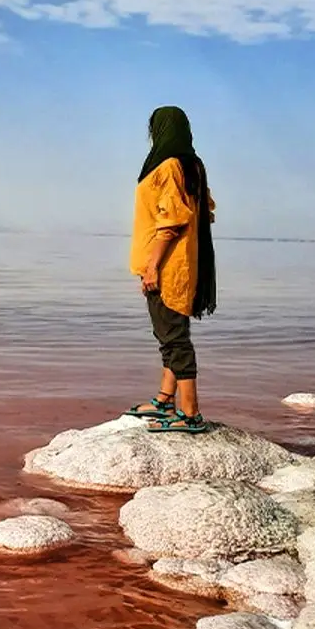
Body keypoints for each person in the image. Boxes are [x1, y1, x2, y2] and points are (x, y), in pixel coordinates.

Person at [125, 106, 217, 434]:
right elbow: (202, 212)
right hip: (181, 265)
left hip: (166, 267)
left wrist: (152, 267)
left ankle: (190, 413)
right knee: (169, 335)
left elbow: (171, 222)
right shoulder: (191, 165)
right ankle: (166, 400)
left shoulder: (169, 165)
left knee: (174, 339)